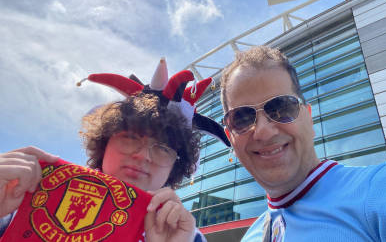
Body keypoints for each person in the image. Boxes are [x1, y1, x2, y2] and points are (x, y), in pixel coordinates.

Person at [220, 46, 386, 241]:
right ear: (230, 137)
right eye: (241, 118)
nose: (263, 131)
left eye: (281, 108)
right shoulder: (250, 236)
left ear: (308, 118)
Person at [0, 59, 230, 241]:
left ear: (175, 166)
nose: (142, 155)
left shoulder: (185, 236)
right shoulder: (20, 201)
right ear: (104, 144)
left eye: (162, 148)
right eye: (130, 137)